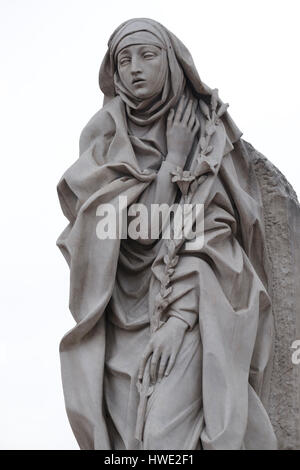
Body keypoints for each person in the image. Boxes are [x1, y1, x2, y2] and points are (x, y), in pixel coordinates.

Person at [57, 18, 278, 449]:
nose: (134, 68)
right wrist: (172, 160)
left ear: (172, 62)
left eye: (147, 55)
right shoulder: (102, 137)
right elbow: (128, 232)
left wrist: (179, 318)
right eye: (124, 59)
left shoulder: (209, 133)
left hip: (194, 308)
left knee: (165, 439)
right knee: (129, 442)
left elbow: (215, 236)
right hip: (120, 316)